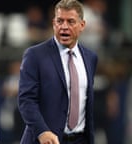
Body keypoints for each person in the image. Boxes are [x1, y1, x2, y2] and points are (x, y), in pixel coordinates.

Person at [17, 0, 98, 144]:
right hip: (44, 140)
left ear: (82, 25)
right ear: (54, 23)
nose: (64, 27)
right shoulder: (35, 55)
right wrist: (42, 132)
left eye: (71, 21)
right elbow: (26, 101)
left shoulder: (90, 58)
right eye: (60, 21)